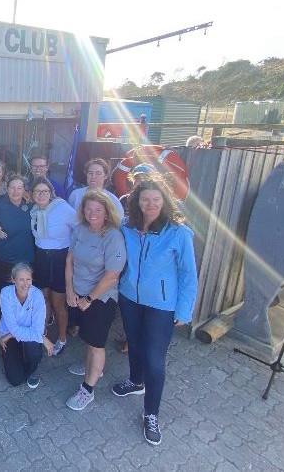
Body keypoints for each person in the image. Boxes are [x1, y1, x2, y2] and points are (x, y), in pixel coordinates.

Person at [112, 177, 198, 446]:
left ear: (165, 202)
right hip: (129, 298)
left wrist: (184, 310)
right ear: (137, 201)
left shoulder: (178, 233)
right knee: (134, 345)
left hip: (162, 305)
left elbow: (188, 275)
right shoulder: (127, 227)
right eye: (145, 199)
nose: (150, 204)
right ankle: (136, 382)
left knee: (154, 358)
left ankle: (151, 414)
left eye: (156, 199)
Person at [64, 190, 127, 411]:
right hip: (79, 293)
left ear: (107, 212)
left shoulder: (113, 237)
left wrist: (90, 298)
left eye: (98, 210)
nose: (92, 213)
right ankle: (90, 366)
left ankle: (88, 390)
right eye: (88, 209)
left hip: (100, 298)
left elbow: (112, 274)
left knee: (97, 343)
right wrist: (69, 290)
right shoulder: (80, 229)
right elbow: (70, 259)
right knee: (88, 338)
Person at [30, 177, 77, 356]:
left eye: (45, 191)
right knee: (43, 300)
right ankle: (43, 335)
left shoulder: (62, 208)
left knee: (58, 303)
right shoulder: (34, 211)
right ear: (32, 194)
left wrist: (73, 253)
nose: (41, 195)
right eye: (37, 192)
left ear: (51, 193)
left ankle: (62, 338)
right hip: (41, 257)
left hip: (60, 259)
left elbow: (79, 227)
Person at [0, 263, 46, 388]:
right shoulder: (5, 293)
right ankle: (16, 358)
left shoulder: (37, 295)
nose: (25, 284)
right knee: (15, 380)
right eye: (21, 279)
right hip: (12, 334)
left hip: (11, 335)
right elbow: (13, 327)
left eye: (28, 279)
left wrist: (9, 335)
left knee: (34, 353)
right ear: (13, 280)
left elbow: (38, 329)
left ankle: (31, 369)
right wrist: (44, 339)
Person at [0, 175, 35, 289]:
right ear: (7, 189)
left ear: (24, 190)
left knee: (25, 292)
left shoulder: (32, 205)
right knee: (6, 292)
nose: (15, 191)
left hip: (26, 258)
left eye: (19, 188)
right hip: (6, 259)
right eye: (12, 187)